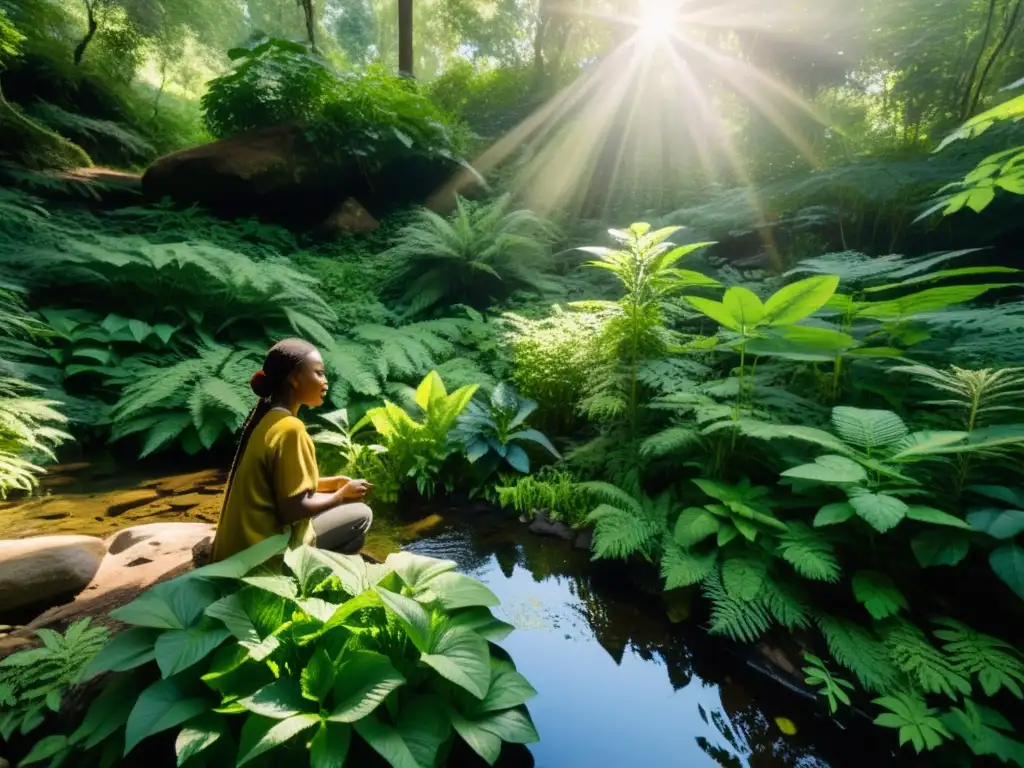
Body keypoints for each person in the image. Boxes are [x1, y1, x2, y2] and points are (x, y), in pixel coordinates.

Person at [210, 338, 374, 563]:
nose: (325, 382)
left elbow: (279, 488)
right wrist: (341, 495)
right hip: (265, 554)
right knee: (361, 515)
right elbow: (293, 510)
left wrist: (332, 483)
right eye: (319, 373)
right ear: (294, 379)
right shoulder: (291, 430)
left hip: (243, 549)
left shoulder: (268, 420)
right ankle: (303, 578)